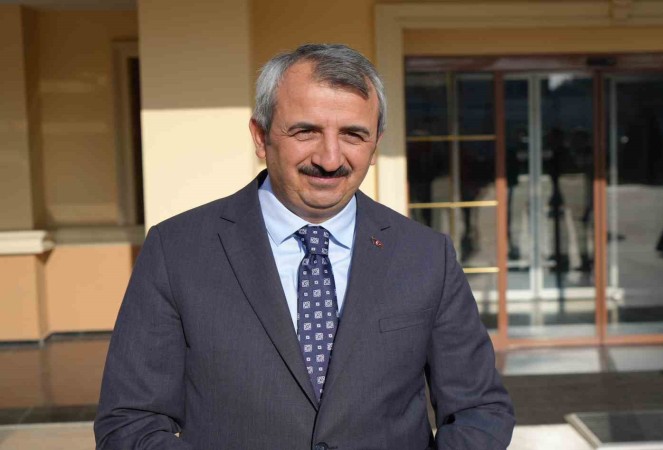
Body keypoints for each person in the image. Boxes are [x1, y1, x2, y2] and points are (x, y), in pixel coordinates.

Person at [94, 43, 515, 450]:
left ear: (375, 144)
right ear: (260, 136)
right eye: (306, 131)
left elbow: (479, 410)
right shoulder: (177, 251)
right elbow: (130, 423)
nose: (330, 159)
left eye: (353, 134)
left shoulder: (425, 256)